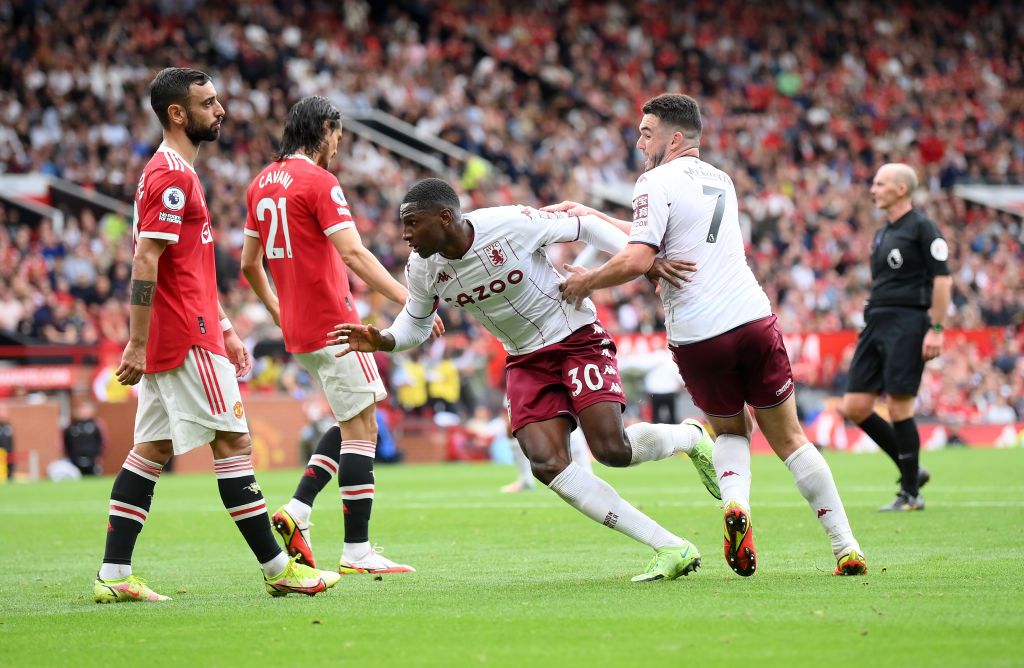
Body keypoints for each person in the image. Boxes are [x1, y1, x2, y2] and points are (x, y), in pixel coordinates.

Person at [331, 177, 720, 583]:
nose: (405, 234)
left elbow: (582, 226)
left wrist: (639, 261)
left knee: (612, 451)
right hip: (524, 360)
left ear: (445, 218)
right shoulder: (423, 268)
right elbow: (415, 322)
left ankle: (690, 437)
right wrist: (385, 339)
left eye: (412, 223)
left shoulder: (508, 223)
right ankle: (670, 546)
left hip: (574, 338)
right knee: (547, 464)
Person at [556, 92, 867, 577]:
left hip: (700, 333)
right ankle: (845, 545)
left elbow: (640, 258)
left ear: (674, 138)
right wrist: (594, 218)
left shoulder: (653, 181)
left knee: (727, 430)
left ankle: (735, 505)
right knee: (789, 438)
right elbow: (665, 233)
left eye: (646, 133)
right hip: (753, 317)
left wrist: (585, 281)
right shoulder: (721, 179)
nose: (640, 143)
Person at [93, 68, 340, 604]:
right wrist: (136, 341)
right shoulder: (172, 176)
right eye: (207, 103)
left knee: (150, 451)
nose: (220, 109)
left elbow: (192, 266)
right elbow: (145, 258)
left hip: (187, 330)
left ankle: (113, 576)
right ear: (177, 114)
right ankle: (279, 569)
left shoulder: (172, 171)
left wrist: (227, 327)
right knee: (233, 444)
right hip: (183, 335)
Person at [241, 95, 442, 575]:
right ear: (325, 129)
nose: (339, 147)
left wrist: (279, 310)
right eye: (338, 136)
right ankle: (356, 550)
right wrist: (410, 300)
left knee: (355, 418)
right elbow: (354, 255)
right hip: (337, 325)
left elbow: (250, 264)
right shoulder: (319, 181)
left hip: (300, 328)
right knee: (363, 430)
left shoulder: (259, 184)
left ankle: (301, 509)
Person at [841, 163, 952, 511]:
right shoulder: (882, 233)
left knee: (899, 405)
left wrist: (935, 329)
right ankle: (912, 469)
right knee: (855, 406)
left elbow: (943, 280)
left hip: (908, 322)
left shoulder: (922, 227)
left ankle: (910, 494)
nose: (873, 189)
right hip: (876, 321)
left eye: (880, 183)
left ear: (901, 189)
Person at [64, 400, 107, 476]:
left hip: (92, 460)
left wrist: (99, 456)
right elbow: (66, 443)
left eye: (86, 409)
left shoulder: (96, 425)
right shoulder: (71, 427)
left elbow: (103, 442)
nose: (83, 411)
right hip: (74, 461)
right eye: (81, 409)